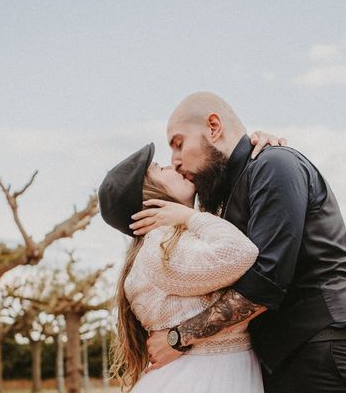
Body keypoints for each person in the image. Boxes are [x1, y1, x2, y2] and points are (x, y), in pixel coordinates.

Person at [131, 92, 346, 393]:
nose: (175, 160)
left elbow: (267, 281)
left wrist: (179, 337)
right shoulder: (226, 192)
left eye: (179, 143)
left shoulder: (274, 164)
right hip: (282, 365)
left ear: (213, 126)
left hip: (321, 357)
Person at [98, 135, 282, 392]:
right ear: (148, 197)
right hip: (205, 378)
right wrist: (190, 216)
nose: (173, 166)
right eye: (160, 169)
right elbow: (240, 253)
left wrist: (260, 144)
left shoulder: (174, 240)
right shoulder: (162, 245)